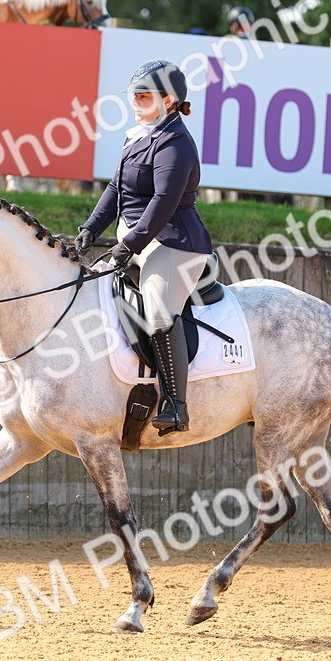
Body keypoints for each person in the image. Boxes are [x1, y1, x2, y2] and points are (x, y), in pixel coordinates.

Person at [75, 61, 211, 434]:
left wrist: (129, 244)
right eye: (133, 95)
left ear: (168, 100)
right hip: (138, 241)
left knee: (158, 313)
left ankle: (176, 406)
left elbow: (164, 202)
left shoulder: (175, 143)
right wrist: (91, 228)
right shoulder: (138, 136)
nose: (135, 101)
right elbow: (116, 189)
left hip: (173, 244)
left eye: (143, 95)